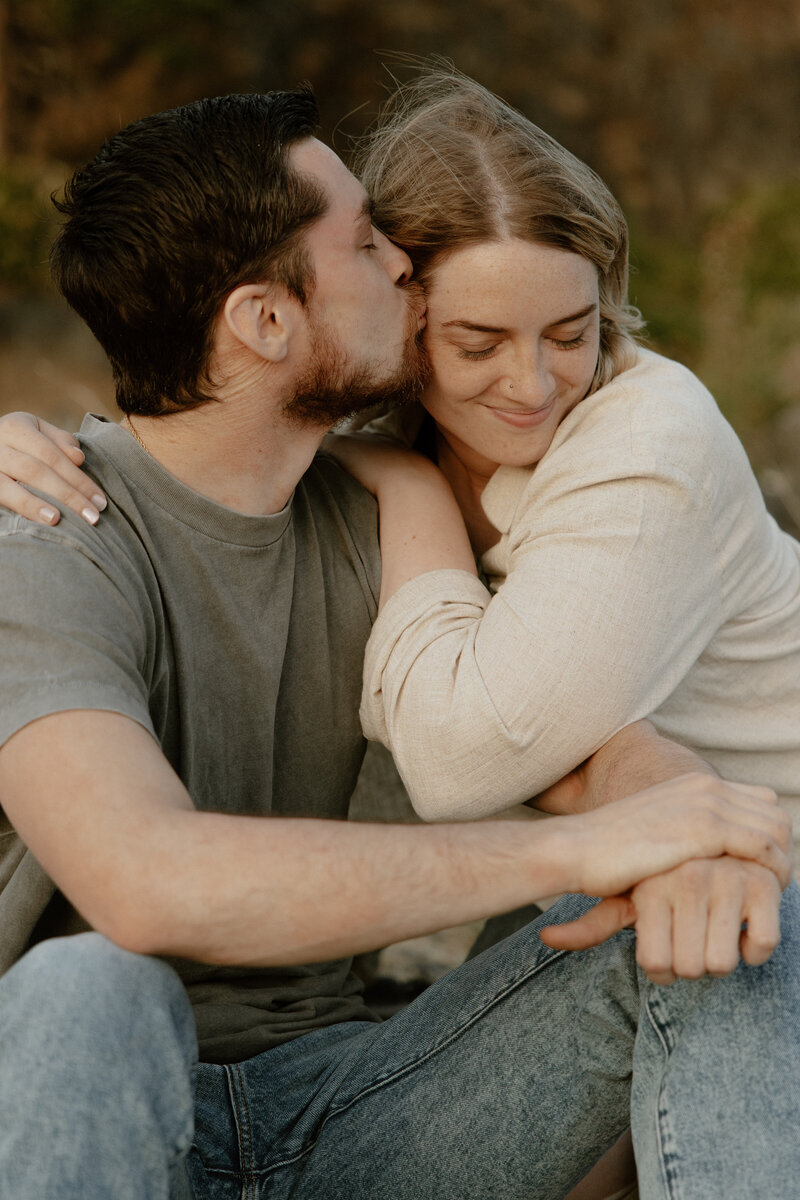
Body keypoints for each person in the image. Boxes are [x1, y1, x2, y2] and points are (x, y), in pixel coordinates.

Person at [0, 86, 797, 1200]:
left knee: (733, 911)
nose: (404, 274)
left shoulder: (394, 496)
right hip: (111, 1108)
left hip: (355, 1103)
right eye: (369, 245)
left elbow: (544, 732)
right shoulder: (47, 531)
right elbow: (143, 882)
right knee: (85, 988)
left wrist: (680, 816)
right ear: (264, 320)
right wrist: (573, 857)